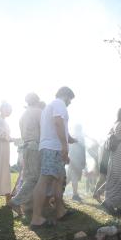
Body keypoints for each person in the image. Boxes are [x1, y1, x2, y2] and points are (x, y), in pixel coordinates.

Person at [30, 87, 76, 228]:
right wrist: (64, 146)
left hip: (53, 147)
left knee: (58, 179)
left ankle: (60, 211)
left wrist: (69, 139)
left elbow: (59, 126)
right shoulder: (59, 103)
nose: (69, 103)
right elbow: (57, 123)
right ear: (65, 95)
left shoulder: (51, 106)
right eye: (70, 99)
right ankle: (36, 218)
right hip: (52, 147)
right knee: (45, 179)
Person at [8, 93, 42, 216]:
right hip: (34, 146)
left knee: (28, 177)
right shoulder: (39, 112)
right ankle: (16, 201)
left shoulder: (23, 115)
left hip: (26, 147)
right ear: (37, 101)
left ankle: (28, 205)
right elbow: (43, 131)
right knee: (34, 178)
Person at [66, 124, 86, 202]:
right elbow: (82, 149)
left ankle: (59, 191)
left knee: (69, 177)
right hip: (76, 159)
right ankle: (75, 195)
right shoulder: (80, 137)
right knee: (74, 177)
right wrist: (83, 161)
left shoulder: (72, 136)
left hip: (72, 158)